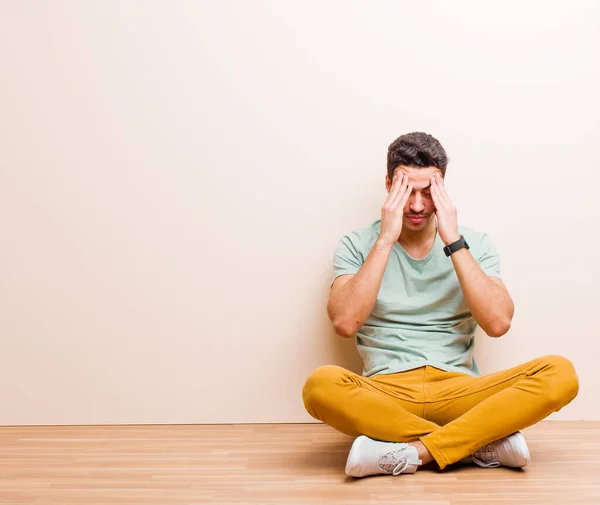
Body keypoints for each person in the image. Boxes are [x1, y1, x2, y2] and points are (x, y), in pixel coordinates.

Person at [302, 132, 579, 478]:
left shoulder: (474, 243)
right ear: (388, 185)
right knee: (319, 386)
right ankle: (474, 444)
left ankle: (414, 451)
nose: (417, 206)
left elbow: (498, 323)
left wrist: (453, 240)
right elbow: (344, 322)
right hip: (386, 391)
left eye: (428, 192)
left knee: (560, 373)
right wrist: (386, 239)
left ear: (444, 188)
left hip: (459, 390)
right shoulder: (358, 244)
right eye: (406, 191)